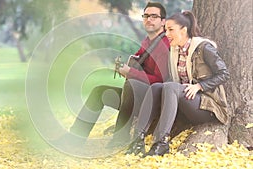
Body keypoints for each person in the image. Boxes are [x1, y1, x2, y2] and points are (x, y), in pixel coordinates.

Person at [64, 2, 170, 147]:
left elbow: (160, 80)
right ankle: (75, 137)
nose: (148, 19)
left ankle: (121, 137)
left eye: (154, 16)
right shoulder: (147, 41)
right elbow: (138, 63)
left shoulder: (164, 45)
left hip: (152, 103)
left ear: (163, 21)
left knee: (131, 84)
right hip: (134, 97)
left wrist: (131, 72)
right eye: (145, 16)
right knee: (99, 91)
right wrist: (124, 68)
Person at [127, 10, 231, 156]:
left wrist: (199, 86)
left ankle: (162, 143)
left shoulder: (203, 48)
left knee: (170, 87)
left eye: (171, 30)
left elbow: (224, 74)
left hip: (207, 106)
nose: (166, 34)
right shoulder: (174, 51)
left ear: (184, 30)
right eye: (165, 30)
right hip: (186, 102)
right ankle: (137, 141)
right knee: (157, 87)